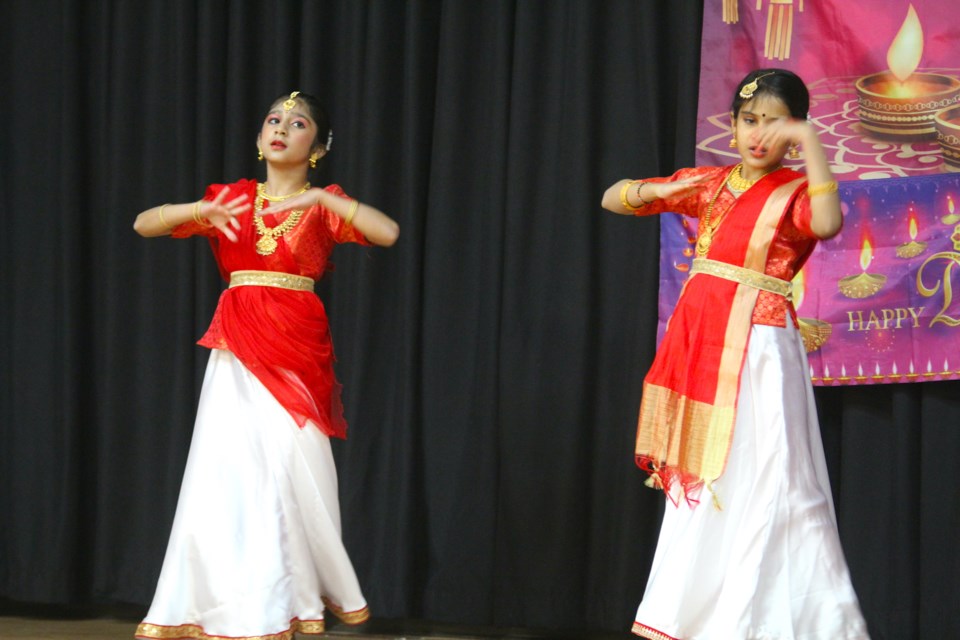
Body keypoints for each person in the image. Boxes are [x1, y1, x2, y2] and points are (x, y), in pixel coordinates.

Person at [602, 69, 870, 639]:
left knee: (773, 478)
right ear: (733, 124)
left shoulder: (797, 190)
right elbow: (613, 198)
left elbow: (827, 222)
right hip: (703, 345)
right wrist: (658, 191)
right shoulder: (712, 184)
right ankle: (693, 618)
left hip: (761, 349)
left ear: (793, 129)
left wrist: (811, 143)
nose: (758, 135)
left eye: (775, 124)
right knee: (708, 477)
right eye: (749, 121)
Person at [133, 91, 399, 640]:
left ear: (317, 147)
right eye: (272, 121)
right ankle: (231, 606)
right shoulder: (231, 198)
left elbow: (387, 232)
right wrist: (198, 212)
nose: (281, 128)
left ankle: (289, 598)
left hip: (297, 348)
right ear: (259, 139)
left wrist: (324, 201)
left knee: (290, 475)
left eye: (297, 123)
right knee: (229, 475)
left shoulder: (323, 204)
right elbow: (143, 224)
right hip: (237, 346)